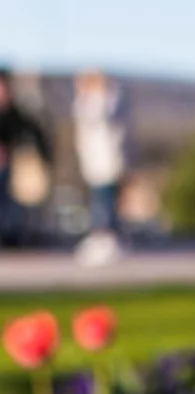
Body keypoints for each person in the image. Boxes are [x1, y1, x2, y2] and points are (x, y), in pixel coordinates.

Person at [72, 71, 126, 265]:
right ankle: (99, 237)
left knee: (105, 202)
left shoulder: (108, 97)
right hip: (93, 161)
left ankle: (107, 239)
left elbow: (99, 116)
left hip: (106, 161)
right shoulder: (86, 99)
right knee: (98, 200)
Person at [0, 68, 51, 249]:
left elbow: (35, 135)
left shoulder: (17, 114)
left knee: (12, 206)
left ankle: (10, 237)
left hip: (11, 170)